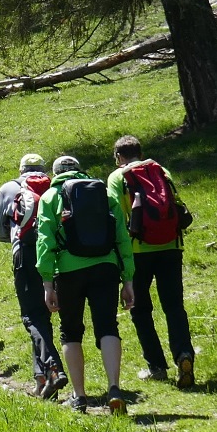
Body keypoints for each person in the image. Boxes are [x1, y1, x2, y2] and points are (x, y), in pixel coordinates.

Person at [36, 153, 134, 415]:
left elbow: (45, 242)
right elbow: (122, 237)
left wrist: (47, 283)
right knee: (107, 326)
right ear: (81, 171)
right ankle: (114, 388)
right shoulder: (103, 192)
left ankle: (79, 396)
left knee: (71, 331)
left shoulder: (50, 197)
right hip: (106, 267)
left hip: (69, 271)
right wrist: (128, 279)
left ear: (55, 174)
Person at [108, 134, 195, 389]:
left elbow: (115, 216)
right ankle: (184, 355)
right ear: (139, 151)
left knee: (140, 309)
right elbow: (177, 205)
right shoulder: (160, 169)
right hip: (171, 247)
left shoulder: (117, 178)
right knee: (174, 306)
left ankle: (156, 366)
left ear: (118, 157)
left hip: (137, 252)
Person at [0, 153, 64, 398]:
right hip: (55, 256)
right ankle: (42, 381)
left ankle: (52, 368)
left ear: (21, 169)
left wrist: (14, 236)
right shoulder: (55, 186)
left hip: (24, 254)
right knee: (43, 317)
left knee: (32, 318)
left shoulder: (10, 188)